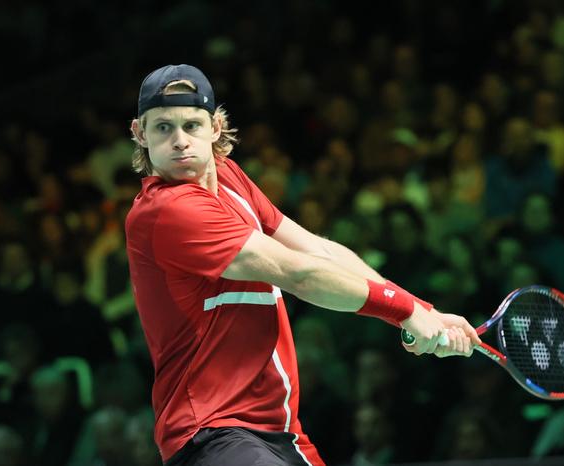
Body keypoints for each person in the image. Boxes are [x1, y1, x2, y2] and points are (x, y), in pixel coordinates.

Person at [125, 64, 481, 466]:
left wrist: (421, 309)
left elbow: (317, 250)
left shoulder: (228, 178)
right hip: (212, 431)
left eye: (191, 125)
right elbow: (299, 273)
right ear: (140, 133)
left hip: (280, 432)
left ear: (215, 127)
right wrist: (405, 312)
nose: (179, 141)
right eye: (163, 128)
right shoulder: (167, 211)